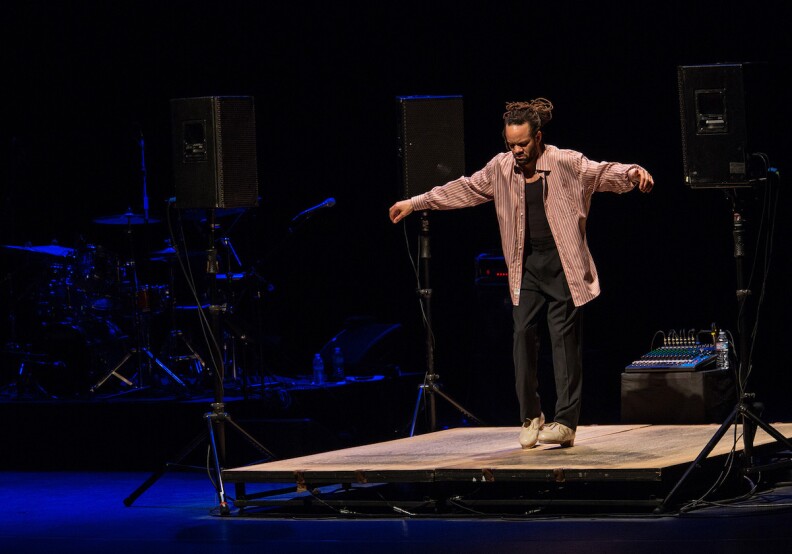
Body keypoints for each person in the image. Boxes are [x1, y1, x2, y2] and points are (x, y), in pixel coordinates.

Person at [389, 98, 654, 449]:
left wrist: (632, 173)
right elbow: (465, 188)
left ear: (538, 137)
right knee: (521, 339)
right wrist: (416, 202)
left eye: (523, 144)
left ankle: (565, 423)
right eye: (511, 144)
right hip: (525, 267)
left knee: (564, 346)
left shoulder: (565, 162)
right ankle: (531, 416)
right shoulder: (501, 168)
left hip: (563, 266)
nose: (516, 151)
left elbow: (601, 172)